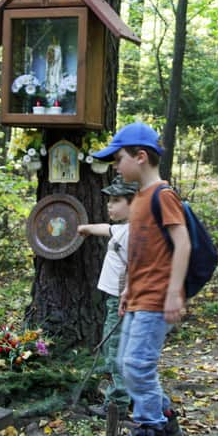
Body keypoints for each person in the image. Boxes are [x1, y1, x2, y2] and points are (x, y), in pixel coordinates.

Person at [92, 122, 190, 436]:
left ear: (141, 156)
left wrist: (175, 292)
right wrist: (127, 289)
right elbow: (141, 254)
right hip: (137, 297)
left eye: (119, 159)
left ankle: (152, 434)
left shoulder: (163, 195)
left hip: (157, 299)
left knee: (137, 364)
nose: (116, 167)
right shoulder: (139, 201)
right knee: (123, 362)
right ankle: (164, 413)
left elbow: (182, 243)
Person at [77, 175, 138, 419]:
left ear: (133, 203)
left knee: (116, 352)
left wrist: (127, 290)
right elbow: (107, 229)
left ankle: (117, 405)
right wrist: (87, 229)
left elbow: (138, 262)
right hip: (116, 301)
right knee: (117, 349)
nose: (109, 206)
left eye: (116, 201)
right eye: (108, 201)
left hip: (122, 302)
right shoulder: (124, 229)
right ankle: (127, 395)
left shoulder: (133, 233)